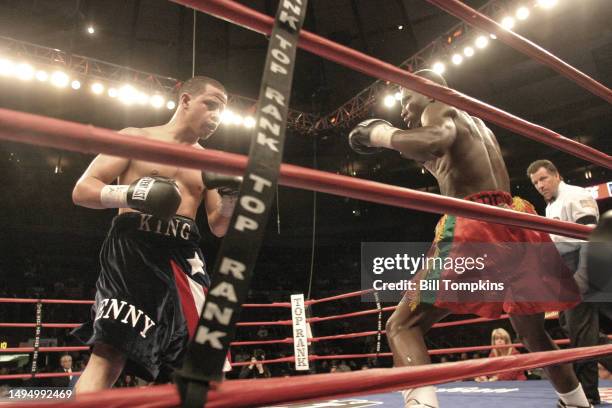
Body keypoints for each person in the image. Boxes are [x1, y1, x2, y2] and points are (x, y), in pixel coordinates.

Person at [348, 69, 590, 408]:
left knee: (402, 325)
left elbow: (433, 139)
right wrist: (401, 144)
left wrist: (380, 134)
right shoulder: (480, 127)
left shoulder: (440, 109)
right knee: (533, 333)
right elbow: (442, 160)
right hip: (517, 223)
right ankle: (577, 403)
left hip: (477, 226)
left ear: (429, 91)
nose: (403, 110)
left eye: (407, 99)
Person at [71, 76, 240, 393]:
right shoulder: (136, 138)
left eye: (223, 111)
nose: (217, 116)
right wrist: (131, 195)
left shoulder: (210, 161)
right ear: (186, 100)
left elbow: (218, 225)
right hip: (134, 250)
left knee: (205, 365)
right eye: (211, 105)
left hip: (187, 258)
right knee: (110, 354)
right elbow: (83, 190)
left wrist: (231, 197)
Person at [527, 159, 604, 404]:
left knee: (581, 335)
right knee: (578, 331)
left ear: (557, 174)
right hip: (565, 268)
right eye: (535, 182)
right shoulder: (551, 206)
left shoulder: (575, 195)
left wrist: (581, 276)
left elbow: (589, 236)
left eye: (543, 178)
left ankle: (588, 397)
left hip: (584, 263)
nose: (540, 185)